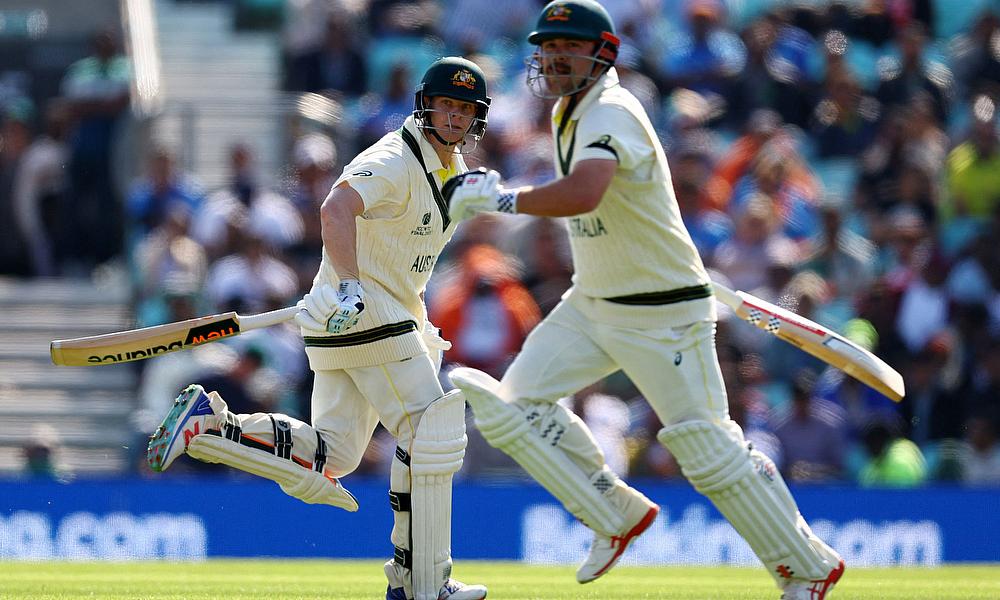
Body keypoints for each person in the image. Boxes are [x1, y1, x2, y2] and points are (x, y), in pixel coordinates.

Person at [443, 2, 844, 598]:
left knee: (705, 447)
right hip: (595, 301)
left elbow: (584, 194)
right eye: (547, 47)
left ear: (602, 52)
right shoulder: (565, 112)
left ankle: (807, 567)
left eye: (567, 47)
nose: (553, 58)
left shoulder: (612, 111)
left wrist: (501, 200)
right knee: (513, 409)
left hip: (662, 311)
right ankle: (616, 514)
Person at [145, 57, 491, 600]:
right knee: (430, 433)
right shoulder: (397, 158)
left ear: (478, 118)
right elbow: (336, 208)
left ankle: (212, 430)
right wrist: (350, 285)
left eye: (464, 109)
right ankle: (422, 582)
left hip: (357, 320)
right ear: (425, 105)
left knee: (334, 455)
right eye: (446, 104)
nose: (453, 117)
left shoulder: (447, 169)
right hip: (367, 313)